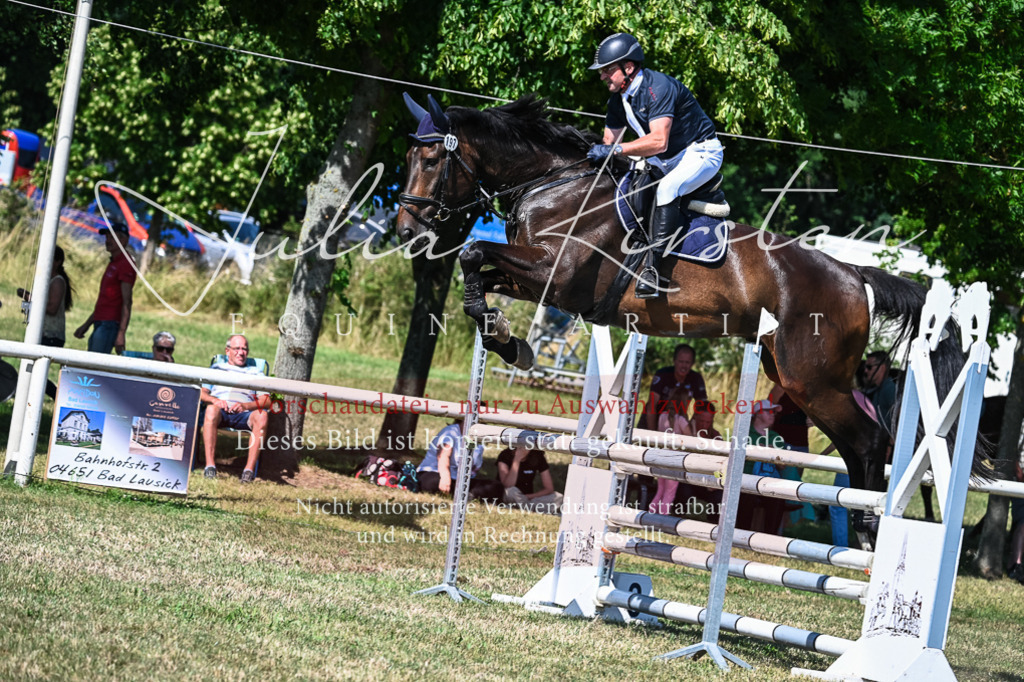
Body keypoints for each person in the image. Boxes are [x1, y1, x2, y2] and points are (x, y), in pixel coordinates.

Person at [587, 32, 725, 298]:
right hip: (665, 158)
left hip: (700, 152)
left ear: (628, 67)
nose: (602, 75)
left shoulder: (657, 87)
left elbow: (659, 141)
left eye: (607, 70)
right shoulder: (618, 100)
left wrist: (614, 149)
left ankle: (653, 270)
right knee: (629, 188)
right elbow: (608, 142)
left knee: (667, 190)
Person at [200, 335, 269, 483]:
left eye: (244, 349)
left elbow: (266, 401)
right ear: (227, 351)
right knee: (211, 410)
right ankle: (210, 466)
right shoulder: (216, 368)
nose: (241, 352)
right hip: (221, 411)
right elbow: (202, 393)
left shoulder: (256, 373)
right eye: (237, 348)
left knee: (262, 415)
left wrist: (246, 406)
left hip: (245, 414)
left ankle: (248, 471)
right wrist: (215, 400)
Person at [73, 221, 136, 354]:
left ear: (124, 240)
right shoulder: (114, 262)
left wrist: (121, 333)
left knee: (95, 365)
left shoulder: (125, 264)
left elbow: (127, 301)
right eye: (107, 237)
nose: (107, 241)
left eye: (112, 237)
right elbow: (105, 300)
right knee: (91, 361)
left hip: (110, 324)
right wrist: (86, 325)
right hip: (100, 322)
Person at [418, 416, 504, 503]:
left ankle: (463, 494)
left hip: (461, 481)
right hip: (437, 473)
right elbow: (443, 456)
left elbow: (473, 468)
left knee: (496, 486)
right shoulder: (451, 431)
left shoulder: (478, 439)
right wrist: (445, 478)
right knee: (432, 482)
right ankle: (466, 495)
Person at [736, 399, 789, 533]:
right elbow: (735, 461)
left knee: (778, 498)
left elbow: (782, 467)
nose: (773, 415)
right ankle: (741, 536)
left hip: (769, 482)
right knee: (747, 494)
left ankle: (769, 540)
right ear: (757, 414)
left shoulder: (776, 437)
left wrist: (773, 455)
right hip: (746, 480)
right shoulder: (744, 434)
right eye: (769, 411)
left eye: (774, 412)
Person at [641, 343, 707, 432]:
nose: (684, 366)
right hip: (652, 421)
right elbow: (651, 406)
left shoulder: (696, 378)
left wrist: (690, 426)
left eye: (687, 362)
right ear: (674, 361)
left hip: (678, 423)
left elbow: (703, 408)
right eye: (681, 361)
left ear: (692, 363)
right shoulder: (663, 375)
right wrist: (652, 434)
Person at [18, 245, 74, 348]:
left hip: (50, 335)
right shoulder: (49, 281)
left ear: (57, 262)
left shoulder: (57, 281)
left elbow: (52, 309)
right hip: (44, 333)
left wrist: (29, 297)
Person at [649, 385, 691, 515]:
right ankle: (662, 519)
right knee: (669, 494)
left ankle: (650, 515)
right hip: (675, 461)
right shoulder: (681, 420)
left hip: (662, 457)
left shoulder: (662, 417)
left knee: (660, 491)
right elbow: (690, 440)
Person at [497, 446, 563, 515]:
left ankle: (523, 508)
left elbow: (549, 488)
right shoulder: (505, 455)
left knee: (558, 497)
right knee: (510, 491)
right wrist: (517, 459)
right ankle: (533, 510)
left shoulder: (537, 455)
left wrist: (529, 496)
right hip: (512, 496)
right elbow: (507, 485)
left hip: (529, 498)